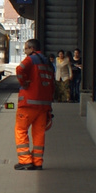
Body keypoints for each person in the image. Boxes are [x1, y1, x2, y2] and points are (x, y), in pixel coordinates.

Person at [15, 38, 56, 170]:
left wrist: (24, 82)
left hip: (28, 104)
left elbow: (19, 69)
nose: (24, 51)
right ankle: (38, 162)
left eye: (26, 48)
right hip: (44, 106)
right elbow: (52, 85)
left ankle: (25, 160)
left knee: (20, 130)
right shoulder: (48, 63)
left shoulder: (31, 59)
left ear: (32, 49)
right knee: (39, 134)